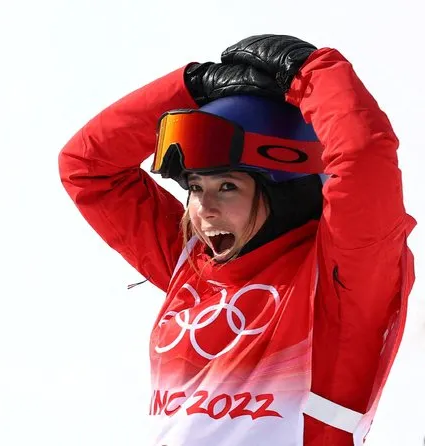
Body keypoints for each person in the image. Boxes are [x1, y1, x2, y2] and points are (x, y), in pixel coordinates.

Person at [58, 34, 416, 446]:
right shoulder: (191, 268)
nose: (203, 209)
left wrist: (310, 71)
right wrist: (193, 86)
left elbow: (364, 161)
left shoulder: (337, 281)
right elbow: (87, 166)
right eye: (194, 187)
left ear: (285, 190)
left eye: (227, 186)